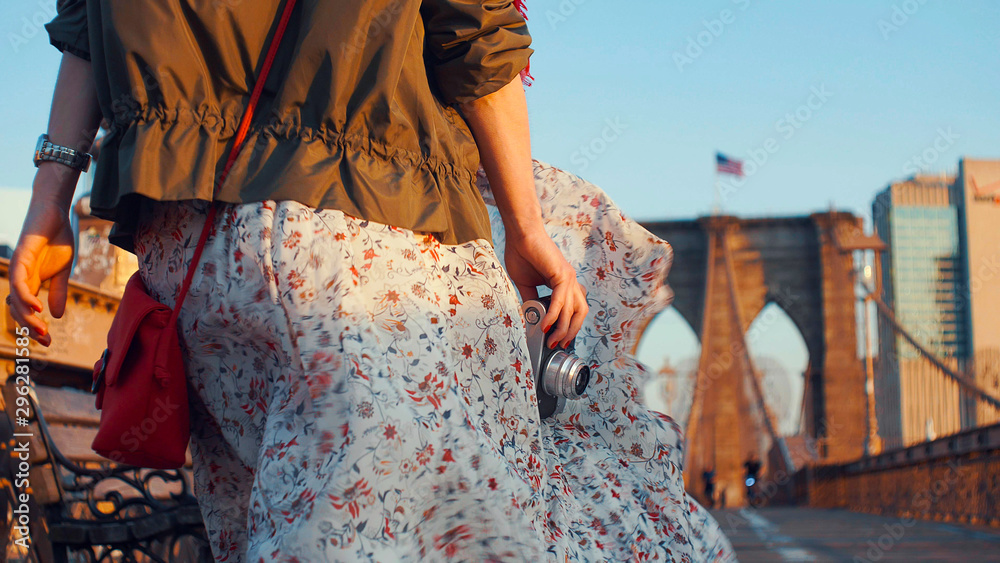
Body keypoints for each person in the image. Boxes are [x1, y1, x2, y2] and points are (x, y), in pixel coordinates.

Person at [10, 0, 736, 560]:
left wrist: (48, 203)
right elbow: (474, 38)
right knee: (481, 518)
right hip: (359, 250)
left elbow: (83, 33)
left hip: (185, 266)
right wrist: (527, 225)